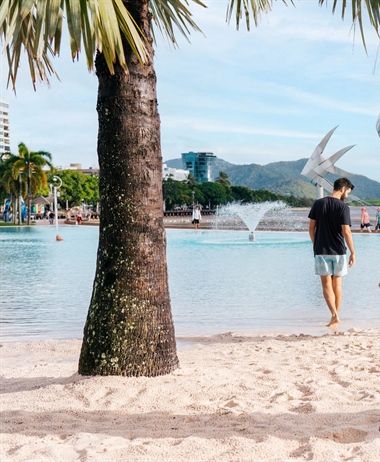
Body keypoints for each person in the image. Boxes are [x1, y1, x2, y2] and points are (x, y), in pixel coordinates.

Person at [308, 177, 356, 328]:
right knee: (338, 285)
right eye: (347, 192)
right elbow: (346, 232)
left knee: (326, 284)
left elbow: (311, 229)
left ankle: (334, 315)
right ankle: (336, 315)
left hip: (321, 251)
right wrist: (353, 252)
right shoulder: (343, 207)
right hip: (339, 251)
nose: (347, 195)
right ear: (342, 189)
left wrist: (316, 245)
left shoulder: (318, 203)